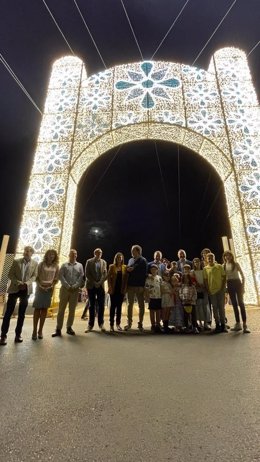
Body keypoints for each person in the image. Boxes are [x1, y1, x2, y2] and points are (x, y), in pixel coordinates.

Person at [0, 246, 38, 345]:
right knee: (8, 313)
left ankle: (18, 335)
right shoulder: (16, 262)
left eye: (29, 251)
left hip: (26, 290)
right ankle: (3, 336)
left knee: (22, 314)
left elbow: (34, 276)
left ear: (32, 253)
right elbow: (10, 275)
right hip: (14, 289)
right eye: (25, 250)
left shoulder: (35, 263)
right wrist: (18, 283)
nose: (26, 252)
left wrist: (26, 284)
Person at [52, 249, 84, 337]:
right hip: (65, 290)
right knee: (61, 309)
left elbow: (81, 277)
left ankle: (69, 327)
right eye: (72, 254)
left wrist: (74, 286)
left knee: (72, 310)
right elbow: (60, 276)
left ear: (76, 255)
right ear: (69, 255)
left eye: (75, 254)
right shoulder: (64, 265)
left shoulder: (80, 266)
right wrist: (67, 286)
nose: (74, 255)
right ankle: (58, 328)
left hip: (75, 290)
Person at [32, 249, 59, 340]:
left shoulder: (56, 266)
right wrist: (40, 286)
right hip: (40, 288)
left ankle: (40, 330)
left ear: (55, 256)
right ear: (46, 255)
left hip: (49, 289)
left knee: (44, 310)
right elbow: (36, 277)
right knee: (37, 309)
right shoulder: (41, 264)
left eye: (53, 255)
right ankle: (34, 330)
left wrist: (52, 286)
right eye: (50, 254)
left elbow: (56, 279)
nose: (51, 256)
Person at [222, 251, 250, 333]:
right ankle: (238, 324)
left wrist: (243, 286)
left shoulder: (236, 264)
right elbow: (224, 278)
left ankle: (245, 324)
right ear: (224, 257)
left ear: (231, 256)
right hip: (230, 284)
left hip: (237, 283)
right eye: (226, 256)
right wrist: (225, 288)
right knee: (234, 304)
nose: (227, 257)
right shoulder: (223, 266)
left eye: (229, 255)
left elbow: (242, 275)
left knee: (241, 303)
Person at [124, 244, 147, 332]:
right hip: (130, 286)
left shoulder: (143, 260)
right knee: (130, 305)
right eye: (131, 250)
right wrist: (128, 269)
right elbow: (127, 270)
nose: (132, 252)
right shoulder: (130, 260)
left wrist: (142, 286)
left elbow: (143, 274)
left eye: (133, 250)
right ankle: (129, 323)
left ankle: (140, 323)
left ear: (138, 251)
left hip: (139, 286)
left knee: (141, 305)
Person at [203, 253, 227, 333]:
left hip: (220, 290)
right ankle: (217, 325)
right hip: (212, 291)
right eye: (208, 258)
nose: (210, 259)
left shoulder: (219, 266)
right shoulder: (205, 269)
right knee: (215, 308)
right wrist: (208, 289)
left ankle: (223, 325)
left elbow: (224, 277)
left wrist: (223, 288)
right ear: (206, 259)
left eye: (211, 258)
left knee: (221, 308)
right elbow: (205, 280)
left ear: (214, 258)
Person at [85, 248, 107, 332]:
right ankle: (90, 325)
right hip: (91, 285)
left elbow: (105, 274)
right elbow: (87, 274)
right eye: (98, 253)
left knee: (101, 305)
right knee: (91, 305)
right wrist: (94, 282)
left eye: (100, 253)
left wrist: (99, 282)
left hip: (100, 286)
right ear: (94, 254)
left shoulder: (104, 262)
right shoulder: (89, 261)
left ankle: (101, 324)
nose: (99, 255)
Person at [107, 252, 128, 332]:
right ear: (116, 258)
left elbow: (126, 279)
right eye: (118, 257)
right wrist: (110, 287)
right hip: (114, 289)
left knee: (119, 308)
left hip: (121, 290)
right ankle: (111, 325)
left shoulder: (124, 267)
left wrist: (125, 288)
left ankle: (118, 324)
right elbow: (108, 278)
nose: (119, 258)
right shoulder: (112, 266)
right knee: (112, 307)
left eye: (121, 257)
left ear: (122, 258)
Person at [192, 257, 211, 330]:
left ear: (200, 262)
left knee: (205, 306)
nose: (197, 263)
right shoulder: (192, 272)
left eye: (198, 262)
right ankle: (200, 323)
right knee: (198, 307)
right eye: (195, 262)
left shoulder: (204, 270)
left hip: (204, 290)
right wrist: (199, 286)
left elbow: (206, 279)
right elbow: (193, 282)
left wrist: (205, 287)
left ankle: (206, 322)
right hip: (197, 291)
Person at [179, 264, 198, 334]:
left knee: (193, 315)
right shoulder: (182, 287)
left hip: (192, 303)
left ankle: (194, 327)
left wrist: (191, 299)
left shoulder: (192, 286)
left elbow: (195, 294)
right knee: (186, 316)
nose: (186, 280)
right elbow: (180, 294)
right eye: (184, 279)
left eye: (187, 279)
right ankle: (187, 327)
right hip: (185, 303)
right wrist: (184, 299)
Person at [145, 264, 162, 333]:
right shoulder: (148, 278)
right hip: (151, 297)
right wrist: (147, 296)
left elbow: (162, 287)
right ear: (150, 270)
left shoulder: (159, 278)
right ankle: (153, 324)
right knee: (152, 311)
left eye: (155, 269)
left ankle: (158, 324)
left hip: (158, 296)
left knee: (158, 311)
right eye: (152, 269)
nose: (153, 270)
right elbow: (146, 288)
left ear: (157, 270)